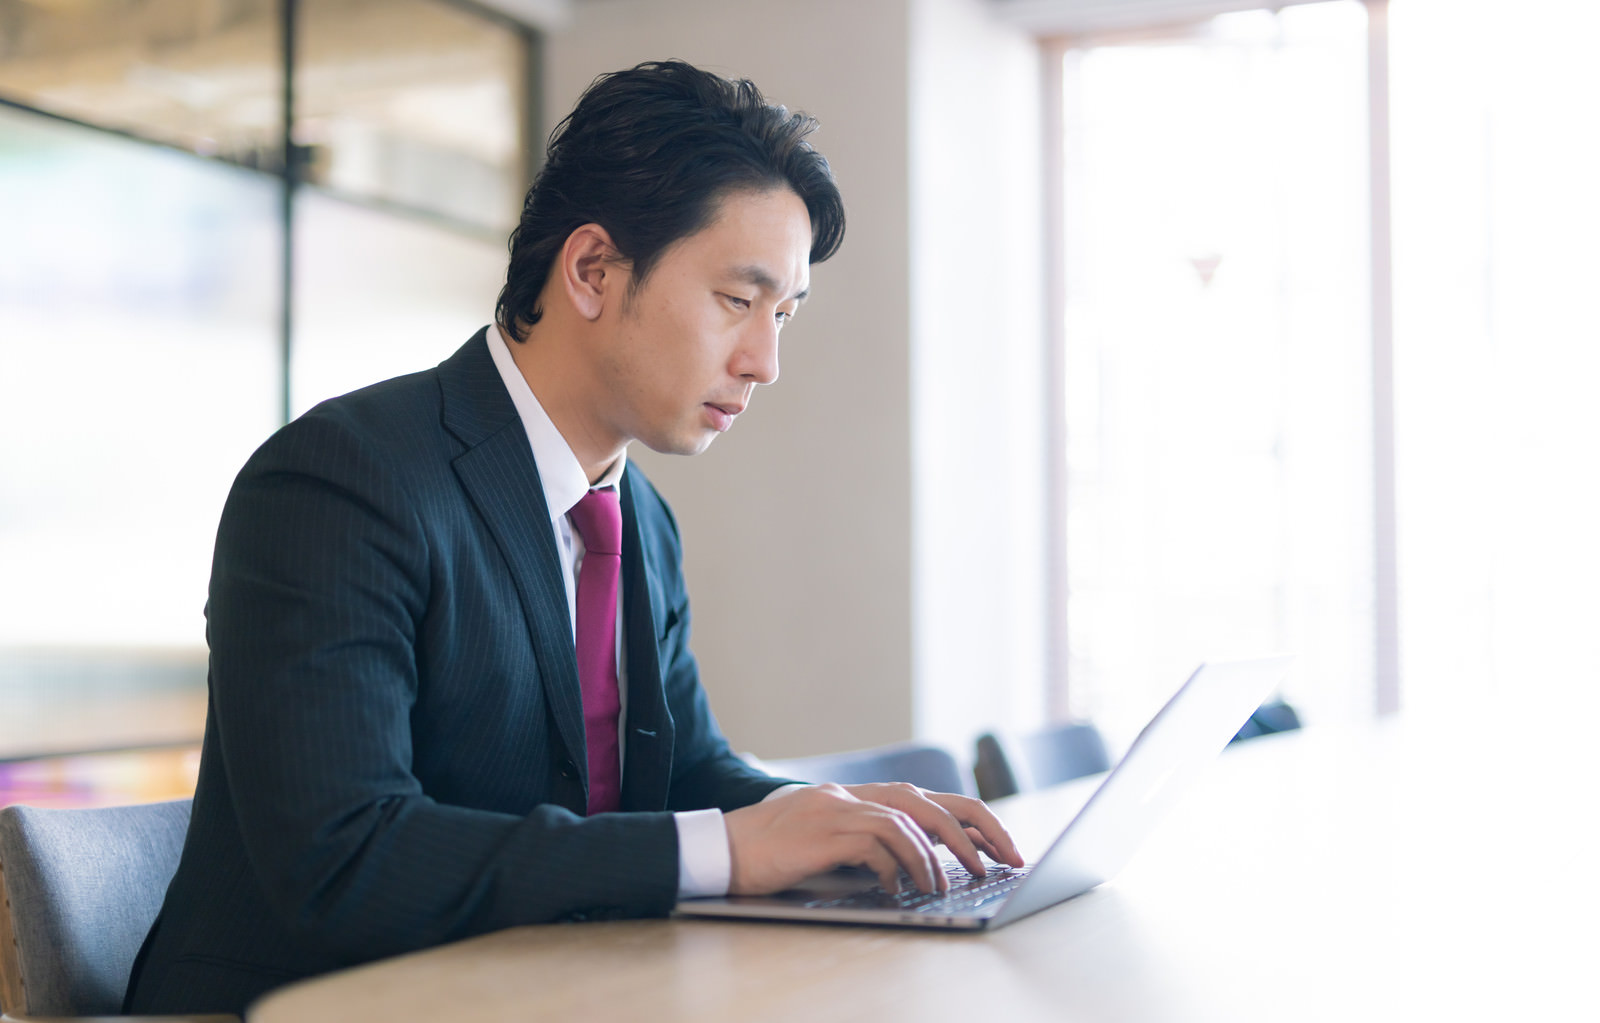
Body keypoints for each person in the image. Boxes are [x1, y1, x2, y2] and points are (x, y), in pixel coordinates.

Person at [124, 60, 1021, 1016]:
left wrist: (834, 819)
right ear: (593, 270)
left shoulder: (640, 518)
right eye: (736, 300)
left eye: (783, 314)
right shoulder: (341, 481)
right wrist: (729, 848)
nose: (763, 361)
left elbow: (683, 771)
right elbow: (343, 857)